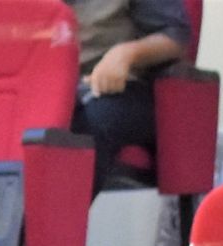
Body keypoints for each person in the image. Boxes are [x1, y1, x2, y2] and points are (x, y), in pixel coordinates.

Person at [71, 0, 192, 193]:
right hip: (42, 87)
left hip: (117, 88)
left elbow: (175, 37)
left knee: (88, 122)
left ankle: (55, 212)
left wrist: (126, 54)